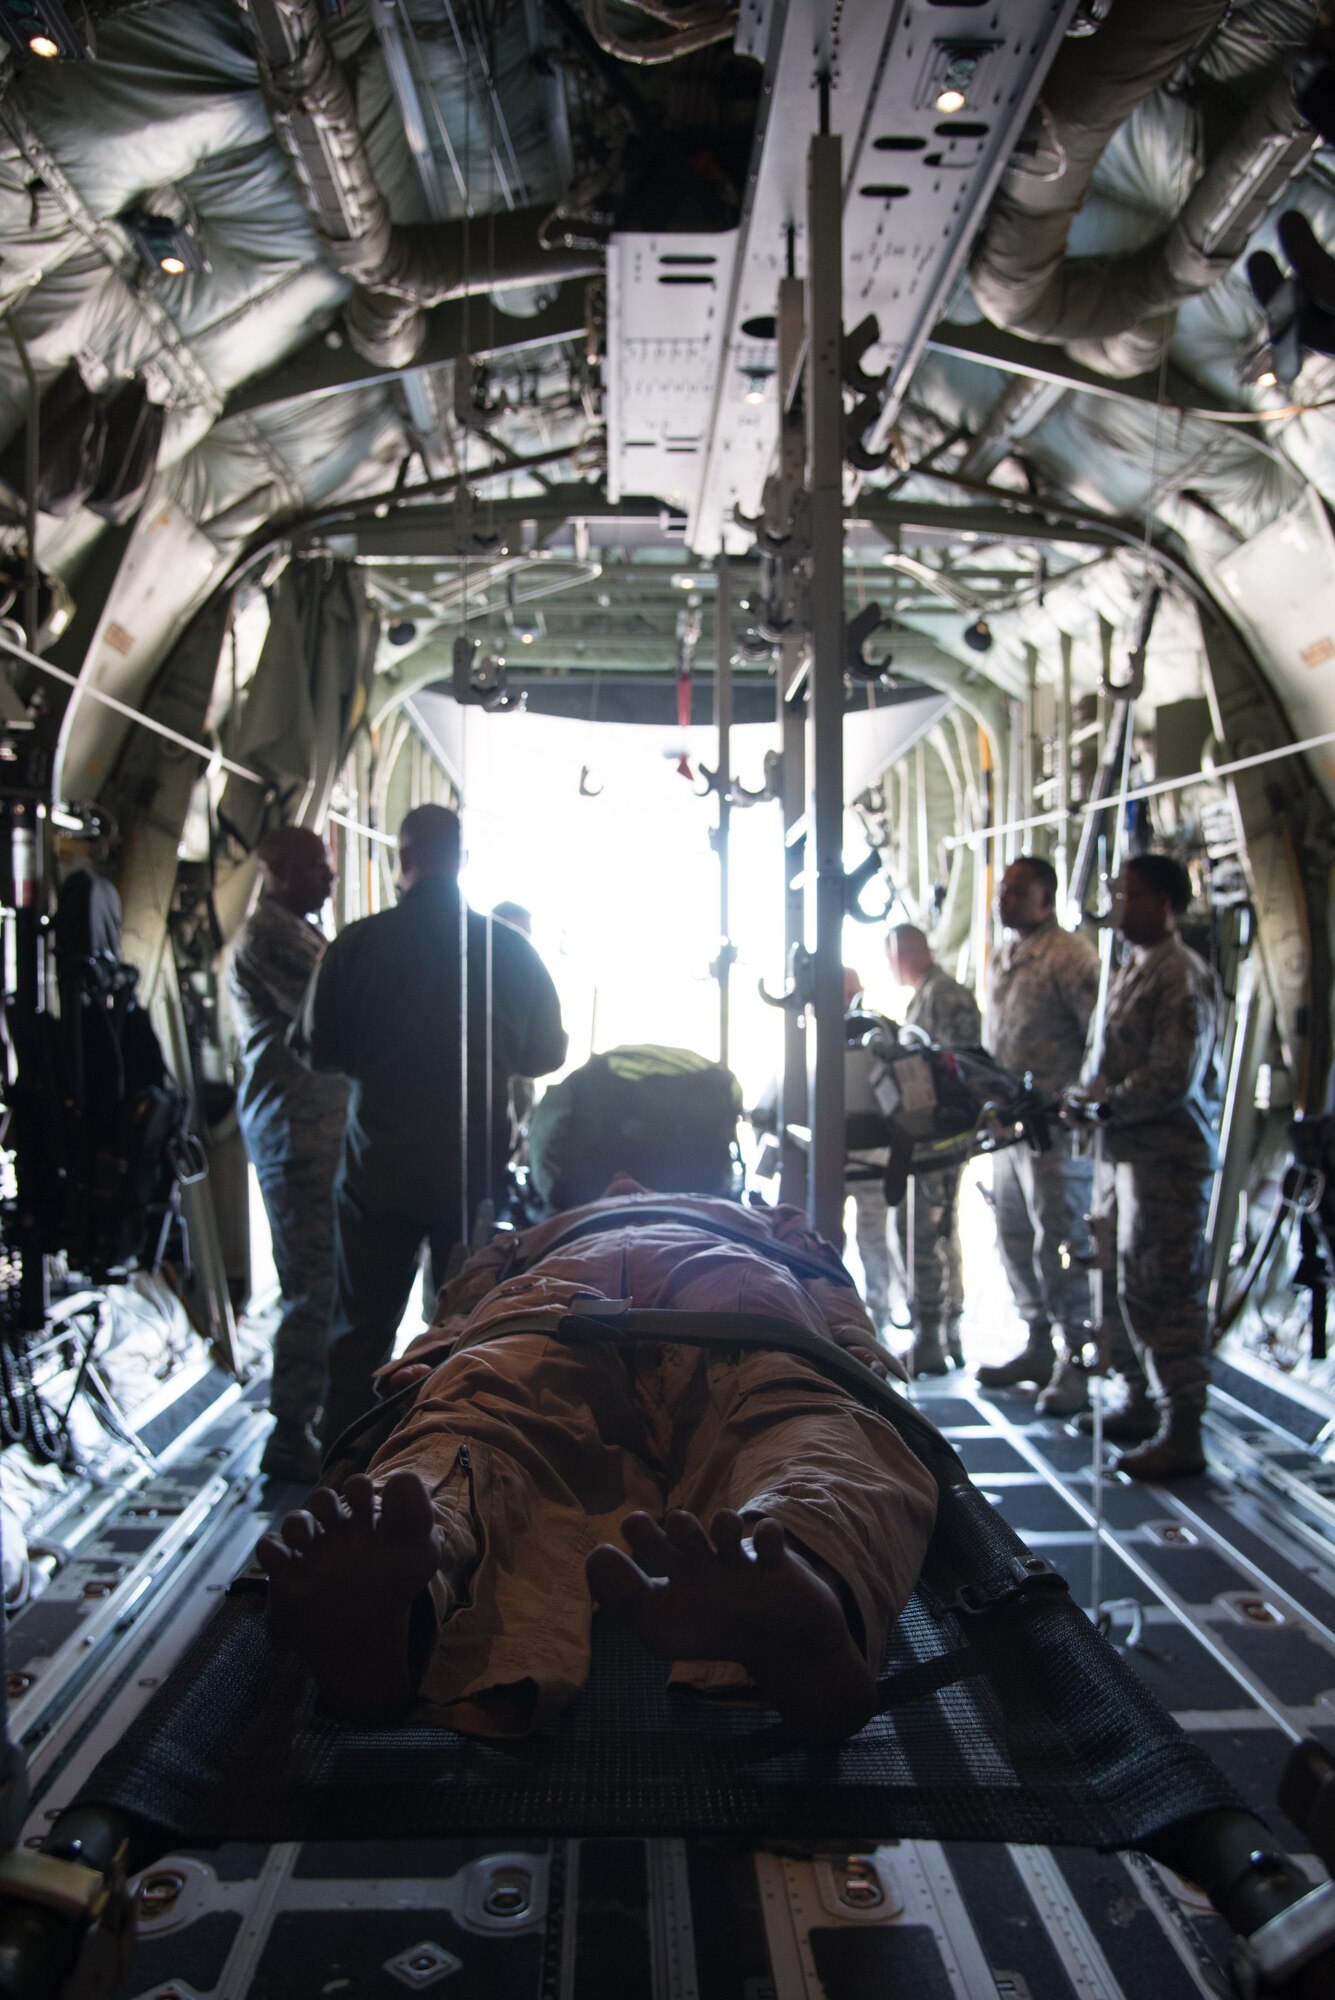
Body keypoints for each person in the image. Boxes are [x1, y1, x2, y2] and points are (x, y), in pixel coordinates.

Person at [256, 1182, 939, 1743]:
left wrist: (427, 1366)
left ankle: (415, 1570)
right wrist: (855, 1359)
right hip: (728, 1278)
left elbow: (459, 1309)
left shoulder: (533, 1231)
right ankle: (798, 1561)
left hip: (549, 1298)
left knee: (478, 1419)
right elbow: (826, 1282)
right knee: (792, 1410)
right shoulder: (756, 1212)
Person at [298, 806, 567, 1446]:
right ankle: (446, 1464)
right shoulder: (509, 949)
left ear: (400, 858)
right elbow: (546, 1055)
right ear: (464, 859)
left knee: (359, 1331)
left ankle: (343, 1474)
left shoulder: (356, 945)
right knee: (466, 1329)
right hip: (473, 1178)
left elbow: (317, 1052)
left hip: (377, 1176)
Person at [1066, 854, 1219, 1480]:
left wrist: (1104, 1104)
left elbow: (1169, 1076)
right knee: (1122, 1280)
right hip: (1126, 1154)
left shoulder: (1180, 975)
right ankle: (1137, 1397)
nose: (1115, 905)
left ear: (1162, 902)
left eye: (1126, 894)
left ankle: (1183, 1426)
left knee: (1163, 1287)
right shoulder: (1136, 968)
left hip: (1165, 1159)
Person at [227, 826, 348, 1482]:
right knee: (313, 1285)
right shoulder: (271, 938)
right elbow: (335, 1014)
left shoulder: (295, 931)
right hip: (297, 1136)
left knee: (324, 1282)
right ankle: (289, 1432)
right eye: (315, 868)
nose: (329, 880)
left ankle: (315, 1417)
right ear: (275, 870)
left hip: (313, 1132)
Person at [976, 855, 1101, 1413]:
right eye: (1003, 889)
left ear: (1045, 898)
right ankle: (1037, 1343)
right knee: (1013, 1235)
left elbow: (1100, 1038)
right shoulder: (1005, 956)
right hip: (1010, 1126)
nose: (1004, 899)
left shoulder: (1070, 957)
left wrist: (1073, 1099)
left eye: (1016, 891)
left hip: (1054, 1129)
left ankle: (1077, 1361)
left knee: (1062, 1240)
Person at [886, 924, 982, 1375]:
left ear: (905, 952)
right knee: (934, 1228)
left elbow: (961, 1066)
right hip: (928, 1131)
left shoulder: (945, 994)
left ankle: (935, 1335)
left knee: (923, 1228)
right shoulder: (925, 995)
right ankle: (941, 1332)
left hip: (942, 1134)